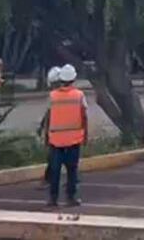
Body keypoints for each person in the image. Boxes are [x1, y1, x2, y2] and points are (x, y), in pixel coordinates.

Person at [44, 64, 88, 207]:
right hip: (74, 140)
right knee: (72, 170)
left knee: (55, 171)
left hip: (55, 140)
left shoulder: (52, 96)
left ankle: (53, 198)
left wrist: (46, 136)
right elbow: (84, 117)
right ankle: (70, 197)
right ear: (74, 78)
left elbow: (48, 118)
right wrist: (85, 135)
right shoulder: (79, 95)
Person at [37, 66, 61, 188]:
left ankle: (49, 180)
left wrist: (43, 128)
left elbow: (49, 113)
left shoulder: (55, 96)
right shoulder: (73, 94)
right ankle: (49, 179)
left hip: (57, 132)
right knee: (58, 157)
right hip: (64, 132)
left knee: (54, 157)